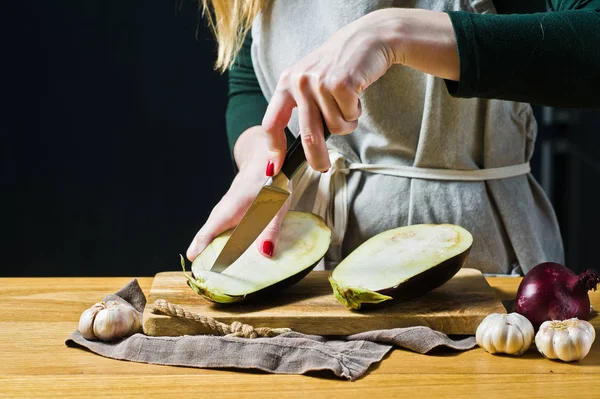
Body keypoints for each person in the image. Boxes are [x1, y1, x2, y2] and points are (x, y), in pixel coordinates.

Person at [187, 0, 600, 275]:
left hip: (478, 272)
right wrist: (262, 157)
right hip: (306, 277)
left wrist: (393, 32)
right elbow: (245, 80)